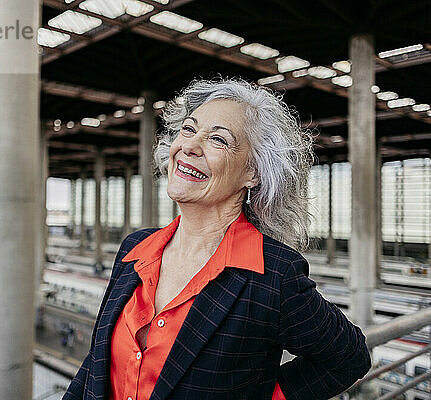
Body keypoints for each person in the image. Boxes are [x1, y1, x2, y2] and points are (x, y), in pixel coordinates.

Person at [63, 78, 371, 400]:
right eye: (188, 129)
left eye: (218, 140)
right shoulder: (135, 249)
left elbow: (348, 359)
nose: (190, 146)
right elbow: (95, 364)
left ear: (253, 173)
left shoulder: (273, 276)